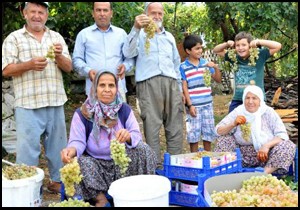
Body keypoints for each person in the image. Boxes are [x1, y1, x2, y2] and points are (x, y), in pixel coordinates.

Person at [2, 2, 72, 193]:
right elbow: (6, 69)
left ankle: (59, 183)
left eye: (41, 12)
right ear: (24, 14)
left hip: (55, 100)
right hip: (27, 103)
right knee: (28, 151)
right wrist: (29, 65)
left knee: (58, 148)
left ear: (46, 16)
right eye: (32, 11)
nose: (37, 16)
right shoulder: (14, 38)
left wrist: (58, 57)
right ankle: (28, 188)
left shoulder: (55, 37)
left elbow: (68, 67)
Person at [60, 71, 157, 207]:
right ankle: (100, 199)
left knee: (143, 149)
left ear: (117, 88)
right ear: (94, 88)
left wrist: (128, 137)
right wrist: (71, 150)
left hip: (121, 164)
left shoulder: (124, 109)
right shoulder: (83, 113)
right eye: (102, 85)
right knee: (78, 161)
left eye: (111, 85)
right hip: (95, 165)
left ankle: (135, 195)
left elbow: (136, 135)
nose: (107, 90)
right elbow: (77, 141)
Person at [122, 2, 185, 167]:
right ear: (145, 14)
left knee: (175, 127)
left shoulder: (169, 37)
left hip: (171, 84)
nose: (157, 17)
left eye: (160, 13)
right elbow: (127, 53)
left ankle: (175, 168)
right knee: (152, 127)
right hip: (148, 84)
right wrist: (136, 28)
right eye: (153, 13)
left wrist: (179, 90)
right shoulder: (139, 34)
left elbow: (176, 65)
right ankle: (154, 170)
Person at [213, 84, 296, 174]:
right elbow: (218, 131)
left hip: (267, 155)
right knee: (223, 140)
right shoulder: (239, 111)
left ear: (260, 100)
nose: (250, 101)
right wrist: (233, 124)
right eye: (247, 98)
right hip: (242, 156)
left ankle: (263, 174)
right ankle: (229, 172)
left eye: (254, 98)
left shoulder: (268, 112)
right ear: (243, 99)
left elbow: (282, 135)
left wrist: (266, 146)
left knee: (288, 145)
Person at [72, 2, 134, 102]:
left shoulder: (121, 34)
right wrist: (88, 71)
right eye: (98, 10)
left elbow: (129, 57)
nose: (102, 13)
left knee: (119, 117)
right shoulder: (83, 35)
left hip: (118, 89)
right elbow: (76, 59)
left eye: (105, 10)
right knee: (94, 117)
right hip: (94, 90)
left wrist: (125, 66)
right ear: (93, 13)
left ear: (111, 13)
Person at [213, 31, 282, 113]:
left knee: (256, 124)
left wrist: (258, 42)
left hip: (256, 99)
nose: (240, 48)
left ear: (250, 45)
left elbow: (278, 46)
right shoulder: (234, 57)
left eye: (244, 45)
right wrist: (227, 44)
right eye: (237, 45)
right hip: (238, 99)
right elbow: (216, 50)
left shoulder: (259, 55)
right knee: (233, 122)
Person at [180, 35, 222, 152]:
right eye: (197, 48)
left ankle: (207, 157)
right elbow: (184, 88)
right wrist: (190, 105)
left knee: (208, 133)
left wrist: (215, 67)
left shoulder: (206, 64)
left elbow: (218, 79)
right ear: (188, 51)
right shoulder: (183, 67)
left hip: (207, 105)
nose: (200, 51)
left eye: (201, 48)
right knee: (193, 135)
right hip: (194, 107)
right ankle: (194, 159)